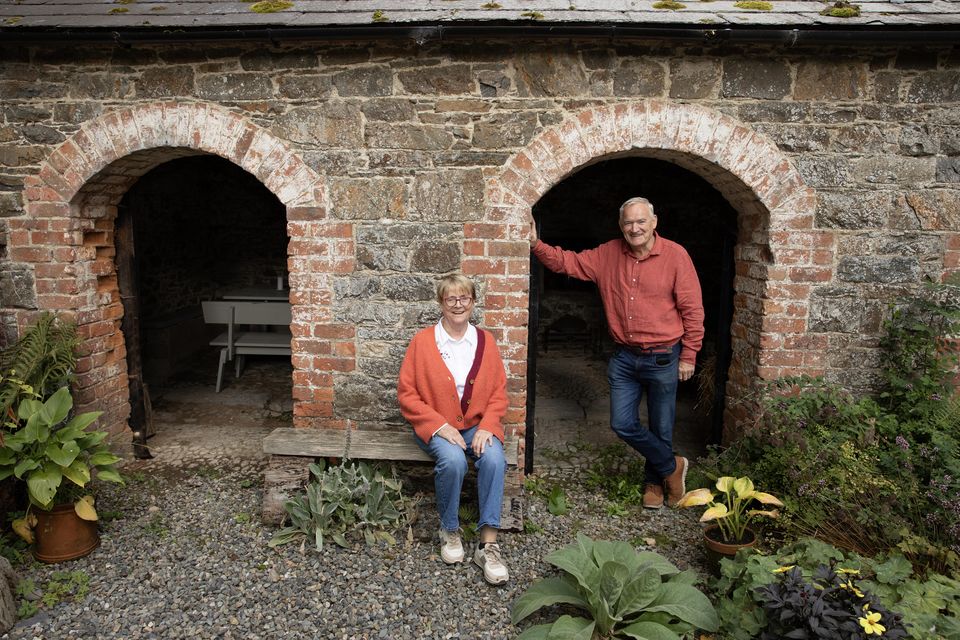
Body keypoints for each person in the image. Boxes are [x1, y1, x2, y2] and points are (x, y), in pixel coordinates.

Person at [529, 196, 704, 510]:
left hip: (664, 355)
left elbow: (693, 310)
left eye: (640, 222)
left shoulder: (676, 256)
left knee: (661, 426)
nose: (634, 228)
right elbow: (567, 262)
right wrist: (536, 244)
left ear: (653, 223)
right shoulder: (607, 254)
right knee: (622, 423)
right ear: (621, 226)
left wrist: (689, 354)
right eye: (628, 223)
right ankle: (672, 467)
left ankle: (654, 483)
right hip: (624, 357)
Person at [397, 273, 510, 585]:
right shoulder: (422, 342)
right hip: (436, 427)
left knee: (494, 459)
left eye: (464, 298)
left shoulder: (486, 341)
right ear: (441, 303)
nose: (458, 304)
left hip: (477, 426)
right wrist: (439, 425)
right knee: (454, 460)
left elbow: (499, 392)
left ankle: (488, 544)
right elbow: (407, 395)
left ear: (472, 302)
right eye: (451, 299)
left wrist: (488, 426)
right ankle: (450, 530)